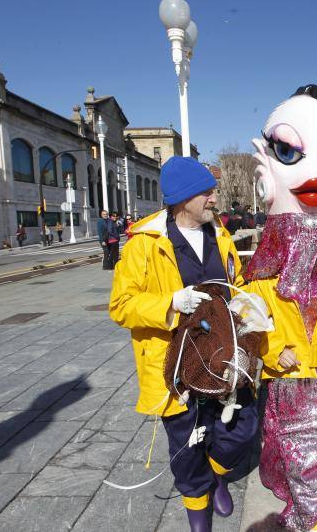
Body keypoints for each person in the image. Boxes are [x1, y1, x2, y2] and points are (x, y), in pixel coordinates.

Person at [109, 156, 256, 532]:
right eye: (206, 192)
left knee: (242, 428)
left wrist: (246, 310)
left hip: (223, 358)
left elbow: (232, 286)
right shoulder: (144, 244)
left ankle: (218, 476)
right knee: (187, 450)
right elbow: (121, 306)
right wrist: (169, 304)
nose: (213, 198)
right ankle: (198, 515)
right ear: (183, 198)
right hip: (174, 367)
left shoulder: (220, 235)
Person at [245, 84, 317, 532]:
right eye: (289, 151)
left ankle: (309, 523)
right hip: (291, 383)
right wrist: (275, 352)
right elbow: (249, 322)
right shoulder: (259, 274)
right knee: (296, 464)